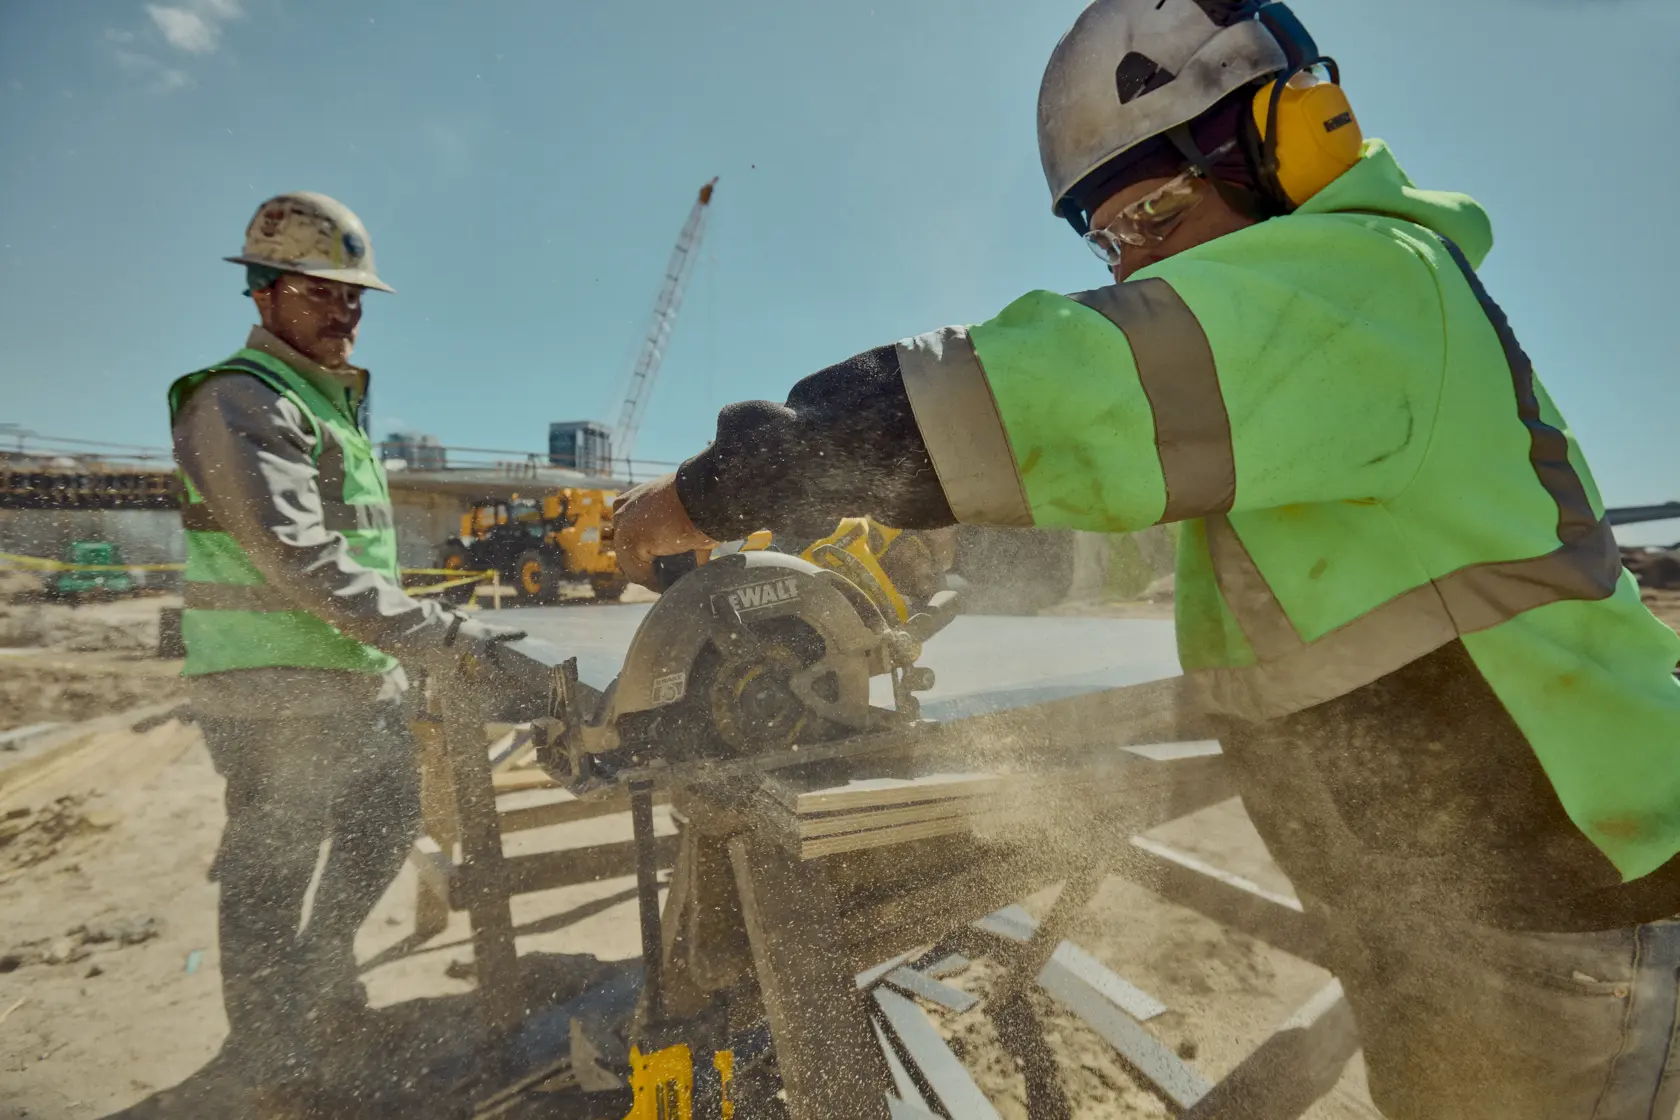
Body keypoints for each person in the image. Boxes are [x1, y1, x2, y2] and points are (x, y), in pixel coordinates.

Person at [610, 2, 1680, 1116]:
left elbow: (1054, 393)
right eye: (1111, 243)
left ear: (1286, 144)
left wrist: (726, 485)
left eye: (1158, 213)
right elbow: (1118, 545)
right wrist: (917, 565)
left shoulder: (1368, 282)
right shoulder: (1295, 392)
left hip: (1552, 907)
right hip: (1458, 907)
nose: (1137, 265)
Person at [168, 192, 525, 1109]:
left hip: (349, 674)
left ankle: (321, 986)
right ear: (263, 292)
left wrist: (409, 638)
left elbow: (357, 555)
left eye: (355, 296)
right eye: (322, 293)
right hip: (270, 685)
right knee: (271, 868)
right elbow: (295, 554)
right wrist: (439, 639)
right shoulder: (238, 400)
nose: (346, 311)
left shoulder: (328, 408)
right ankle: (275, 1060)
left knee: (381, 824)